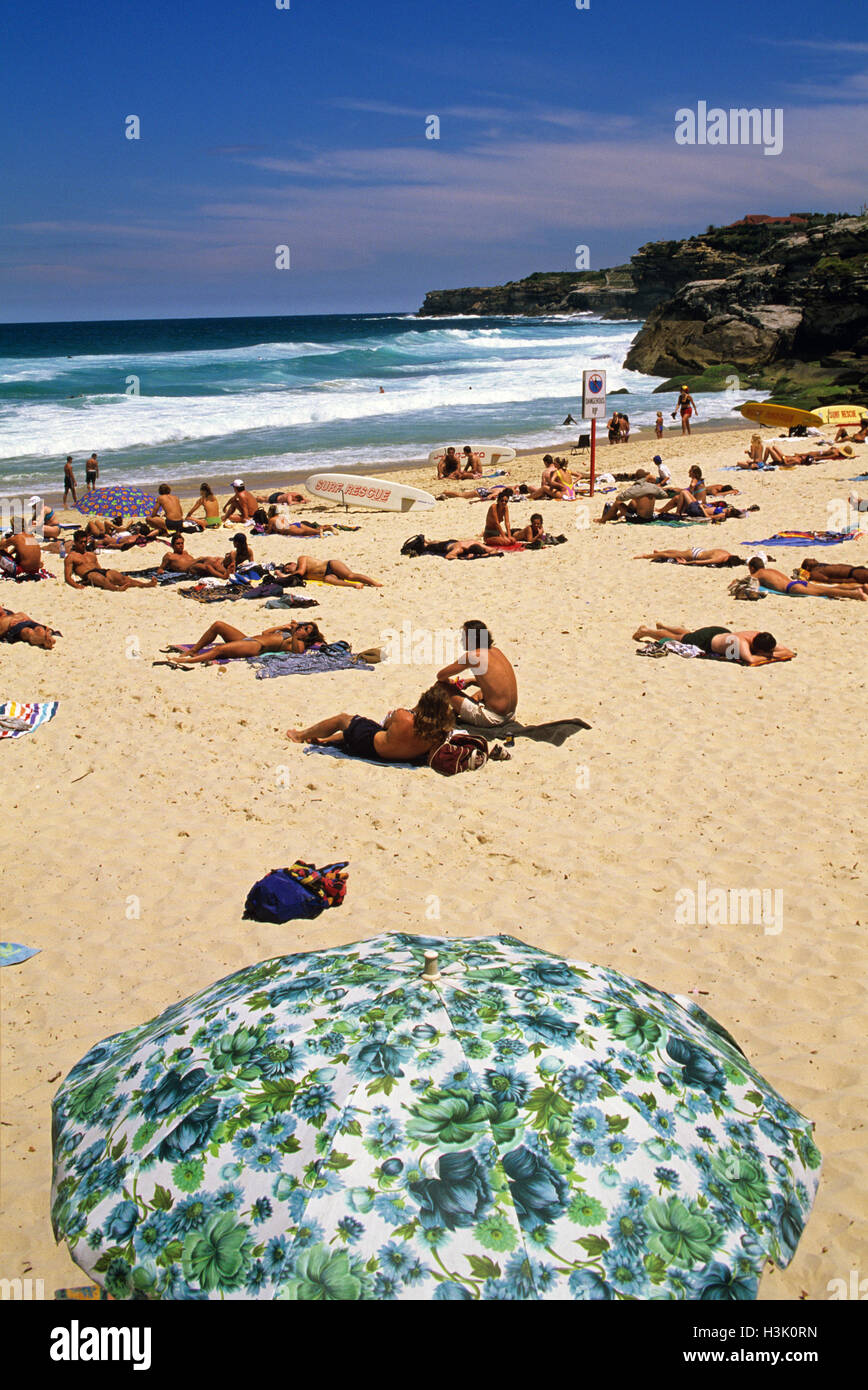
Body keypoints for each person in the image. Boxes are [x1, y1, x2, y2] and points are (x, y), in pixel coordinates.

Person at [286, 684, 455, 764]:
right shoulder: (440, 733)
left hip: (371, 747)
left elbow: (385, 726)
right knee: (358, 728)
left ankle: (299, 735)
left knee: (343, 720)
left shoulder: (403, 716)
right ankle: (324, 741)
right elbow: (432, 755)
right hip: (401, 756)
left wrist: (399, 713)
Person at [437, 620, 517, 726]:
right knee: (482, 692)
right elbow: (495, 682)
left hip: (492, 719)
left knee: (441, 686)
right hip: (510, 715)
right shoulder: (496, 651)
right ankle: (456, 711)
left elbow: (441, 676)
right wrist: (470, 681)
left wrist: (449, 682)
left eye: (464, 636)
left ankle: (436, 714)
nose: (462, 639)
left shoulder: (472, 656)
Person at [162, 618, 325, 666]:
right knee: (218, 625)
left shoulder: (299, 643)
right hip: (248, 639)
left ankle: (187, 660)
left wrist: (296, 636)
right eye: (304, 626)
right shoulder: (288, 632)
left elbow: (297, 653)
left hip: (256, 647)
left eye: (306, 630)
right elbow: (265, 632)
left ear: (308, 637)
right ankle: (194, 650)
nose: (302, 629)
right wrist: (283, 626)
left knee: (220, 650)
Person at [631, 622, 794, 665]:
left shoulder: (761, 637)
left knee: (688, 634)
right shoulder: (741, 642)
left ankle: (665, 625)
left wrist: (768, 654)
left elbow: (789, 652)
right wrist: (768, 656)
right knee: (681, 639)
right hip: (708, 640)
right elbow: (750, 660)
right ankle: (648, 631)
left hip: (721, 633)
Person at [747, 555, 867, 600]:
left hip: (791, 588)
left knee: (826, 591)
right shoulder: (770, 570)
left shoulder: (757, 574)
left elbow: (747, 582)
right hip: (796, 583)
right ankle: (861, 587)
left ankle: (855, 594)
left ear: (752, 568)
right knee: (823, 588)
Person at [64, 532, 157, 590]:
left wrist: (107, 575)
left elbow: (99, 567)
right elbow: (67, 577)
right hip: (88, 575)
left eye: (85, 542)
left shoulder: (91, 554)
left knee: (120, 577)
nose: (83, 544)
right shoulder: (71, 557)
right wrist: (77, 586)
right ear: (75, 542)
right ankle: (116, 589)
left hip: (100, 571)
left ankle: (145, 585)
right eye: (81, 542)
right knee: (97, 577)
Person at [276, 555, 381, 587]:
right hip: (327, 575)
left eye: (287, 568)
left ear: (292, 564)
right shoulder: (298, 576)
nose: (288, 571)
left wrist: (282, 575)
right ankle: (354, 585)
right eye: (287, 571)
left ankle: (374, 583)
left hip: (330, 565)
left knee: (350, 575)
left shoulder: (301, 560)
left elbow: (300, 572)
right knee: (328, 579)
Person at [596, 479, 669, 523]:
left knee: (617, 503)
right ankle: (616, 516)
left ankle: (602, 520)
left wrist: (629, 493)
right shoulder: (653, 489)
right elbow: (665, 495)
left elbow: (618, 498)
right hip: (650, 518)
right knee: (633, 502)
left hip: (639, 519)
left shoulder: (638, 490)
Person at [159, 534, 232, 578]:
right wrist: (161, 571)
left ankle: (229, 574)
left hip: (194, 566)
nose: (181, 545)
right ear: (172, 545)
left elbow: (192, 561)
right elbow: (160, 569)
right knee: (205, 561)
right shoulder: (169, 555)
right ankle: (223, 576)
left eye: (182, 543)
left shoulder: (185, 553)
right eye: (178, 544)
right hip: (188, 569)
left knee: (211, 564)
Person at [633, 547, 747, 567]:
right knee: (669, 555)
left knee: (675, 552)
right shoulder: (721, 558)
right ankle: (646, 556)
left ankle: (658, 552)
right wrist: (686, 563)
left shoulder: (726, 552)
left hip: (699, 550)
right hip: (695, 555)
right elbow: (701, 562)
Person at [798, 556, 868, 585]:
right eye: (810, 560)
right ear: (807, 567)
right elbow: (827, 580)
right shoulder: (815, 573)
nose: (813, 559)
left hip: (857, 569)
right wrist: (846, 581)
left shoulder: (821, 566)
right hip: (852, 574)